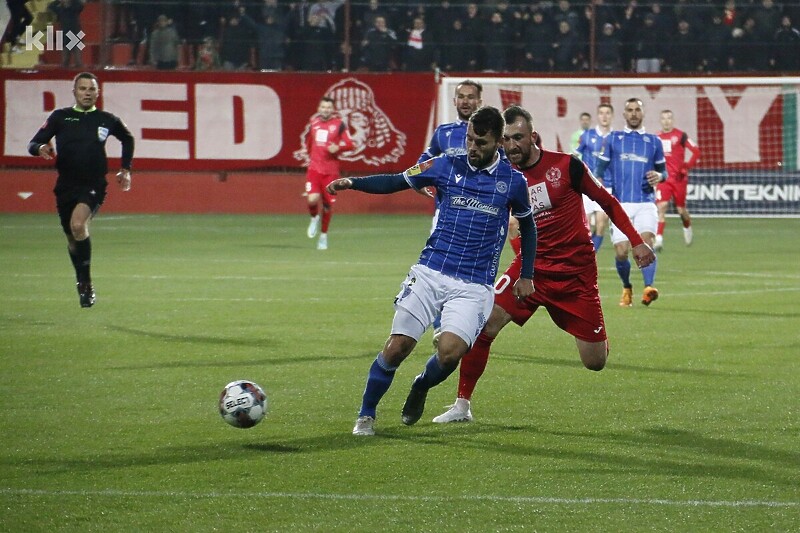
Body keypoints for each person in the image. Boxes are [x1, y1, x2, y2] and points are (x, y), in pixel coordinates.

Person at [433, 105, 655, 424]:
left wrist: (636, 240)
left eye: (518, 138)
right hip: (530, 272)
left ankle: (597, 336)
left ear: (533, 136)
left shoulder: (567, 166)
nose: (512, 145)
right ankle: (462, 404)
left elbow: (607, 201)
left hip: (575, 277)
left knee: (595, 362)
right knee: (484, 326)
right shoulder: (501, 174)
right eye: (506, 139)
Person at [326, 106, 537, 436]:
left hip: (474, 283)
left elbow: (528, 226)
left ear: (497, 141)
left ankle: (422, 385)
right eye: (469, 140)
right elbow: (397, 180)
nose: (472, 147)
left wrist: (526, 273)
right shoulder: (444, 165)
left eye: (480, 142)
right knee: (397, 346)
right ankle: (366, 414)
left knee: (451, 353)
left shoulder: (512, 182)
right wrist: (354, 182)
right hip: (431, 270)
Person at [26, 72, 134, 308]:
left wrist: (125, 168)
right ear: (74, 92)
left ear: (98, 93)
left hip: (94, 184)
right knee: (72, 238)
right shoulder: (60, 117)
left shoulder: (107, 119)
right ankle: (81, 280)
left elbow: (128, 138)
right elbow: (33, 143)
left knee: (78, 225)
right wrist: (41, 147)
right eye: (83, 89)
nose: (87, 93)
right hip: (66, 185)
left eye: (91, 89)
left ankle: (86, 284)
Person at [418, 80, 483, 346]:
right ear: (454, 101)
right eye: (461, 97)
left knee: (472, 273)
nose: (466, 101)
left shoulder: (491, 134)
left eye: (471, 97)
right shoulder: (443, 133)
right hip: (444, 215)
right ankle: (439, 326)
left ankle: (467, 324)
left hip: (481, 218)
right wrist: (421, 179)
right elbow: (425, 160)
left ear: (480, 101)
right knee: (438, 269)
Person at [594, 97, 666, 307]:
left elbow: (665, 172)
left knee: (646, 243)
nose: (634, 113)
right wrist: (597, 185)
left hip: (645, 202)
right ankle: (627, 286)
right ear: (624, 114)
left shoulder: (654, 141)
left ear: (643, 114)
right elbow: (599, 169)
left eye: (637, 110)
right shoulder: (613, 138)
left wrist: (660, 177)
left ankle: (648, 287)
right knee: (621, 251)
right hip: (621, 204)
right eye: (630, 110)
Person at [300, 96, 354, 250]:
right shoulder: (313, 123)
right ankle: (314, 217)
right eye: (323, 107)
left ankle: (323, 235)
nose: (326, 110)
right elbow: (309, 143)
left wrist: (338, 147)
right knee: (312, 199)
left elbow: (350, 144)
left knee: (328, 205)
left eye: (328, 108)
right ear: (319, 108)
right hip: (314, 169)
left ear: (333, 110)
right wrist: (311, 157)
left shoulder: (339, 124)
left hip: (331, 172)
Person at [655, 109, 701, 250]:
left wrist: (687, 166)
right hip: (663, 179)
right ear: (660, 120)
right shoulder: (656, 138)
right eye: (664, 118)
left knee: (681, 210)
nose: (666, 121)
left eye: (669, 118)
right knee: (661, 207)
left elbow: (696, 151)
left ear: (672, 120)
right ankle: (659, 239)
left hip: (679, 179)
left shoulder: (681, 135)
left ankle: (687, 226)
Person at [575, 103, 614, 251]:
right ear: (598, 116)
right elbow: (577, 155)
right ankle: (582, 255)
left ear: (612, 116)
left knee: (601, 224)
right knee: (585, 227)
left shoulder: (615, 138)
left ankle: (590, 257)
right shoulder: (586, 136)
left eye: (607, 113)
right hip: (587, 186)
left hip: (607, 186)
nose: (604, 116)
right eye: (602, 113)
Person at [47, 0, 85, 68]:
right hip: (64, 31)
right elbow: (50, 7)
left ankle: (79, 72)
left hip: (75, 31)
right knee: (65, 61)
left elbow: (80, 7)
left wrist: (68, 4)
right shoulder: (57, 5)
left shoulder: (75, 3)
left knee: (78, 61)